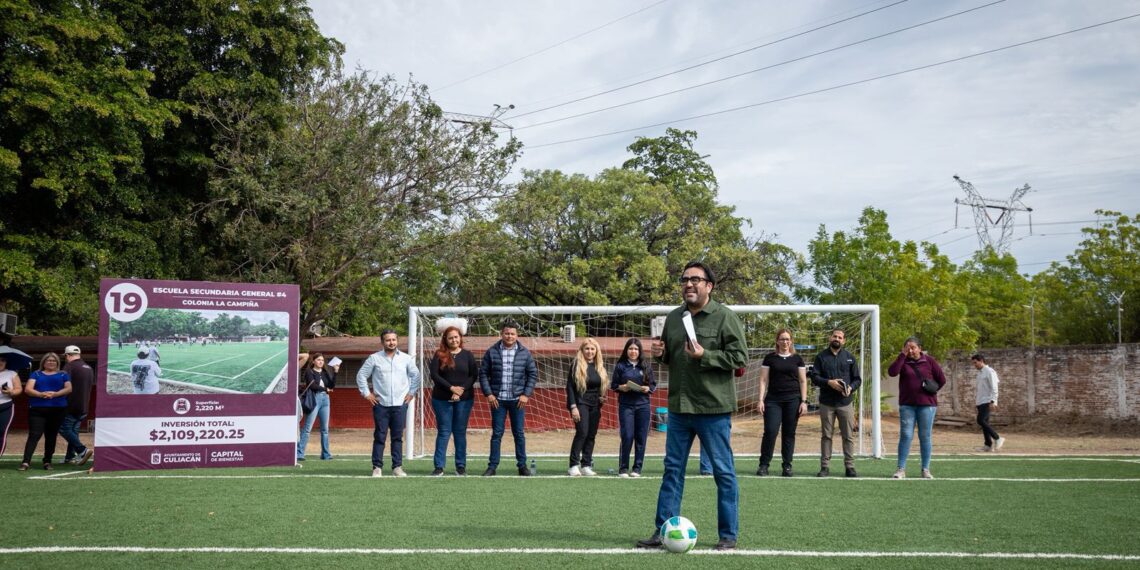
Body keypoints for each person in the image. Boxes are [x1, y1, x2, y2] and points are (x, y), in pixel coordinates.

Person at [638, 261, 748, 552]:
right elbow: (673, 359)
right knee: (672, 470)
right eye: (685, 279)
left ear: (709, 286)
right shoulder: (674, 318)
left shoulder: (725, 318)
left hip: (713, 409)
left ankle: (728, 536)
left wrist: (706, 355)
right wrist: (660, 355)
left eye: (695, 280)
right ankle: (663, 530)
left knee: (723, 472)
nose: (689, 284)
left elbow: (740, 358)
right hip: (679, 409)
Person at [356, 330, 421, 477]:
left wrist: (411, 393)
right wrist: (367, 394)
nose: (391, 342)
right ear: (382, 342)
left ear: (397, 341)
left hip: (400, 404)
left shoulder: (406, 359)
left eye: (393, 340)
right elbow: (361, 376)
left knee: (397, 437)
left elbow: (416, 376)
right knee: (380, 436)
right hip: (381, 405)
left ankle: (397, 467)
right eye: (388, 340)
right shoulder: (374, 358)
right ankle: (377, 467)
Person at [479, 319, 538, 477]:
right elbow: (483, 374)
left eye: (512, 334)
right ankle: (492, 466)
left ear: (517, 335)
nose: (509, 336)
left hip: (517, 401)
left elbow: (532, 374)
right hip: (498, 400)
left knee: (518, 433)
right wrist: (489, 394)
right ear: (501, 334)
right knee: (497, 434)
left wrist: (526, 394)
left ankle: (522, 466)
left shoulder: (524, 353)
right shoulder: (492, 351)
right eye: (507, 333)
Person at [888, 337, 946, 479]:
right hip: (907, 405)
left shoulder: (929, 361)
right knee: (906, 435)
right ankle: (901, 469)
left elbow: (942, 379)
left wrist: (931, 390)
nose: (911, 350)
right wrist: (902, 355)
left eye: (913, 347)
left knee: (925, 436)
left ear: (920, 348)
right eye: (907, 347)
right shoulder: (903, 361)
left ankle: (925, 469)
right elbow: (892, 372)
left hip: (927, 405)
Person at [810, 328, 862, 477]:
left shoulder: (850, 358)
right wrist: (828, 382)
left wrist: (851, 388)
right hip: (827, 403)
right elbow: (814, 377)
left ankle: (850, 467)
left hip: (845, 403)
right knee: (826, 436)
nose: (837, 339)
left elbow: (857, 379)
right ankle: (825, 467)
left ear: (843, 341)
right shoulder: (821, 357)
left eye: (840, 337)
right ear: (829, 337)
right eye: (835, 336)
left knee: (848, 436)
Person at [756, 328, 808, 477]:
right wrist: (760, 400)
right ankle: (764, 465)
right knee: (771, 432)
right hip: (773, 400)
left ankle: (787, 466)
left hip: (793, 400)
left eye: (787, 339)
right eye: (782, 339)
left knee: (789, 433)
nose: (785, 342)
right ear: (777, 341)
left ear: (791, 341)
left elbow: (803, 381)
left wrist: (803, 401)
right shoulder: (770, 358)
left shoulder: (797, 359)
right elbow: (763, 380)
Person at [428, 326, 478, 476]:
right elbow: (435, 375)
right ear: (446, 340)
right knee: (444, 432)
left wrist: (460, 390)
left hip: (464, 400)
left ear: (460, 338)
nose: (454, 340)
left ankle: (460, 466)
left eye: (456, 337)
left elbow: (473, 375)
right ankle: (439, 467)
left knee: (459, 432)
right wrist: (451, 389)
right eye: (450, 338)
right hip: (442, 399)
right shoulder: (439, 355)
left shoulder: (468, 355)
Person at [611, 338, 656, 477]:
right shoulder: (620, 366)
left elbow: (653, 385)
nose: (633, 351)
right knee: (627, 436)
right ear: (626, 350)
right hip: (626, 406)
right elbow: (613, 385)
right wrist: (622, 387)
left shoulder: (646, 366)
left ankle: (637, 468)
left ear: (639, 351)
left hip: (643, 406)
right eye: (630, 348)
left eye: (636, 349)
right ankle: (623, 468)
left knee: (641, 437)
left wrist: (647, 388)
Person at [19, 353, 72, 471]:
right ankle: (26, 462)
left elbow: (68, 388)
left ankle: (47, 461)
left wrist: (55, 394)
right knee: (34, 435)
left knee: (51, 437)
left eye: (54, 360)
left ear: (58, 363)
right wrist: (40, 394)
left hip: (57, 410)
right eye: (48, 360)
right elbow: (28, 389)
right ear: (43, 362)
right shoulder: (36, 374)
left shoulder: (63, 374)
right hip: (37, 410)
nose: (51, 362)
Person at [566, 338, 608, 476]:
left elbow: (600, 388)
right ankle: (573, 465)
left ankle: (586, 465)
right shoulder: (576, 365)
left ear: (596, 351)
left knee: (591, 435)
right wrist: (573, 407)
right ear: (582, 350)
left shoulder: (599, 367)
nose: (590, 352)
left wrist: (602, 398)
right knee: (582, 432)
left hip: (595, 405)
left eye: (592, 349)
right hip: (580, 403)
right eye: (587, 349)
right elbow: (570, 388)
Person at [297, 352, 337, 461]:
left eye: (322, 360)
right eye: (318, 360)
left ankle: (326, 454)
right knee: (307, 428)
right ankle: (299, 453)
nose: (321, 362)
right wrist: (325, 389)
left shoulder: (325, 372)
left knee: (325, 429)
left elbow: (331, 385)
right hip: (315, 399)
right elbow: (313, 386)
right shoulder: (309, 372)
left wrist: (335, 372)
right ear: (313, 361)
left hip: (325, 400)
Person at [61, 345, 95, 466]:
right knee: (73, 431)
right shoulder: (88, 368)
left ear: (67, 355)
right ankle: (70, 457)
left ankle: (82, 450)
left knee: (63, 428)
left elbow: (64, 384)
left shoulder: (69, 366)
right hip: (84, 405)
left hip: (71, 404)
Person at [971, 353, 1004, 452]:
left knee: (980, 420)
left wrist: (993, 401)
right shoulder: (980, 373)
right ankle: (988, 445)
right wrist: (977, 402)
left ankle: (997, 438)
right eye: (973, 363)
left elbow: (994, 387)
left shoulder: (990, 372)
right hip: (980, 401)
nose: (974, 365)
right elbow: (981, 389)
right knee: (985, 422)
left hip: (988, 401)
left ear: (981, 361)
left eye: (975, 363)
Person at [0, 355, 24, 458]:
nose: (0, 362)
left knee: (1, 432)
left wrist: (11, 391)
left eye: (3, 360)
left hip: (6, 406)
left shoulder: (12, 373)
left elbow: (18, 389)